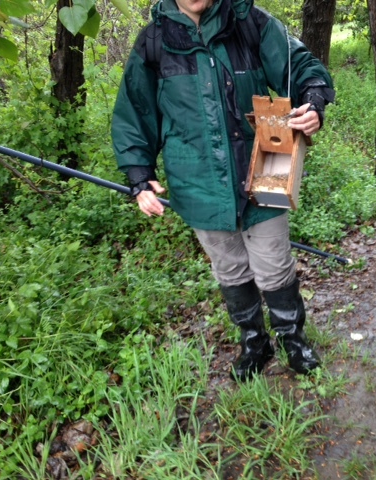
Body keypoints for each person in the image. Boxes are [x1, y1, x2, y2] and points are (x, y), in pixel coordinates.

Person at [111, 0, 335, 382]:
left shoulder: (249, 22)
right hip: (197, 179)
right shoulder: (154, 42)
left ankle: (292, 341)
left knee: (274, 263)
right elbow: (136, 111)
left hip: (266, 164)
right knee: (229, 267)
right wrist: (138, 173)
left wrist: (313, 100)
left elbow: (301, 67)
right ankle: (254, 342)